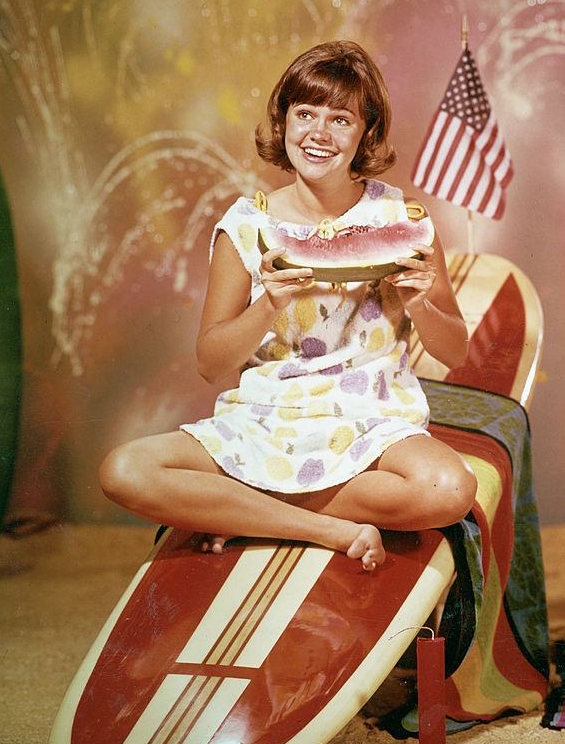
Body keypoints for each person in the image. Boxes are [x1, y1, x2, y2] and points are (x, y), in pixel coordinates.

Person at [99, 40, 476, 571]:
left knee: (449, 487)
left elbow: (456, 351)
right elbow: (212, 365)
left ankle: (244, 512)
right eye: (305, 114)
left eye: (340, 119)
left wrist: (419, 302)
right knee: (124, 470)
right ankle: (321, 529)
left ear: (366, 132)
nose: (319, 133)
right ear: (283, 123)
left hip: (372, 420)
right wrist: (267, 306)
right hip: (265, 420)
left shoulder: (401, 218)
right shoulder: (244, 226)